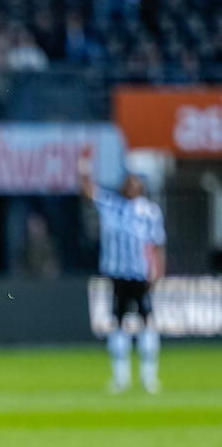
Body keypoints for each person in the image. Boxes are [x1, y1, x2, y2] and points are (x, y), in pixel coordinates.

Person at [80, 159, 166, 393]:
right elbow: (89, 192)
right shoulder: (112, 205)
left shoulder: (150, 211)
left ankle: (149, 376)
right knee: (117, 323)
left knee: (147, 322)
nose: (131, 185)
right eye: (128, 181)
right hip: (118, 274)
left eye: (135, 181)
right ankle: (121, 377)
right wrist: (84, 167)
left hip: (141, 274)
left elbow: (158, 244)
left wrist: (159, 272)